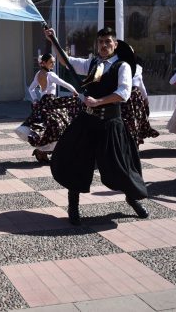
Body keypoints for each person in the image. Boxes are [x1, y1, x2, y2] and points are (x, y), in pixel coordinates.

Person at [44, 27, 149, 225]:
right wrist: (53, 40)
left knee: (122, 167)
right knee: (76, 162)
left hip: (111, 124)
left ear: (115, 45)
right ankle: (73, 206)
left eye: (108, 41)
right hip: (88, 122)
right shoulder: (93, 63)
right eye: (100, 41)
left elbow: (123, 93)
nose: (103, 45)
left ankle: (131, 198)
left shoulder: (122, 66)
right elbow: (69, 62)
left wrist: (98, 102)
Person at [14, 53, 81, 163]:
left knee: (47, 127)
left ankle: (42, 152)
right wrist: (74, 91)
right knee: (60, 123)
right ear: (44, 63)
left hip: (43, 102)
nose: (53, 64)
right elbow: (63, 83)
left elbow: (31, 89)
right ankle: (43, 152)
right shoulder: (51, 75)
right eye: (51, 62)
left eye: (54, 62)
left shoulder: (38, 74)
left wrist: (35, 99)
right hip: (51, 102)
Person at [121, 62, 160, 147]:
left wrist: (145, 97)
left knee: (136, 122)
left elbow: (140, 84)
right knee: (125, 123)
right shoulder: (117, 65)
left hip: (135, 99)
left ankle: (135, 144)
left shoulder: (137, 67)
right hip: (122, 100)